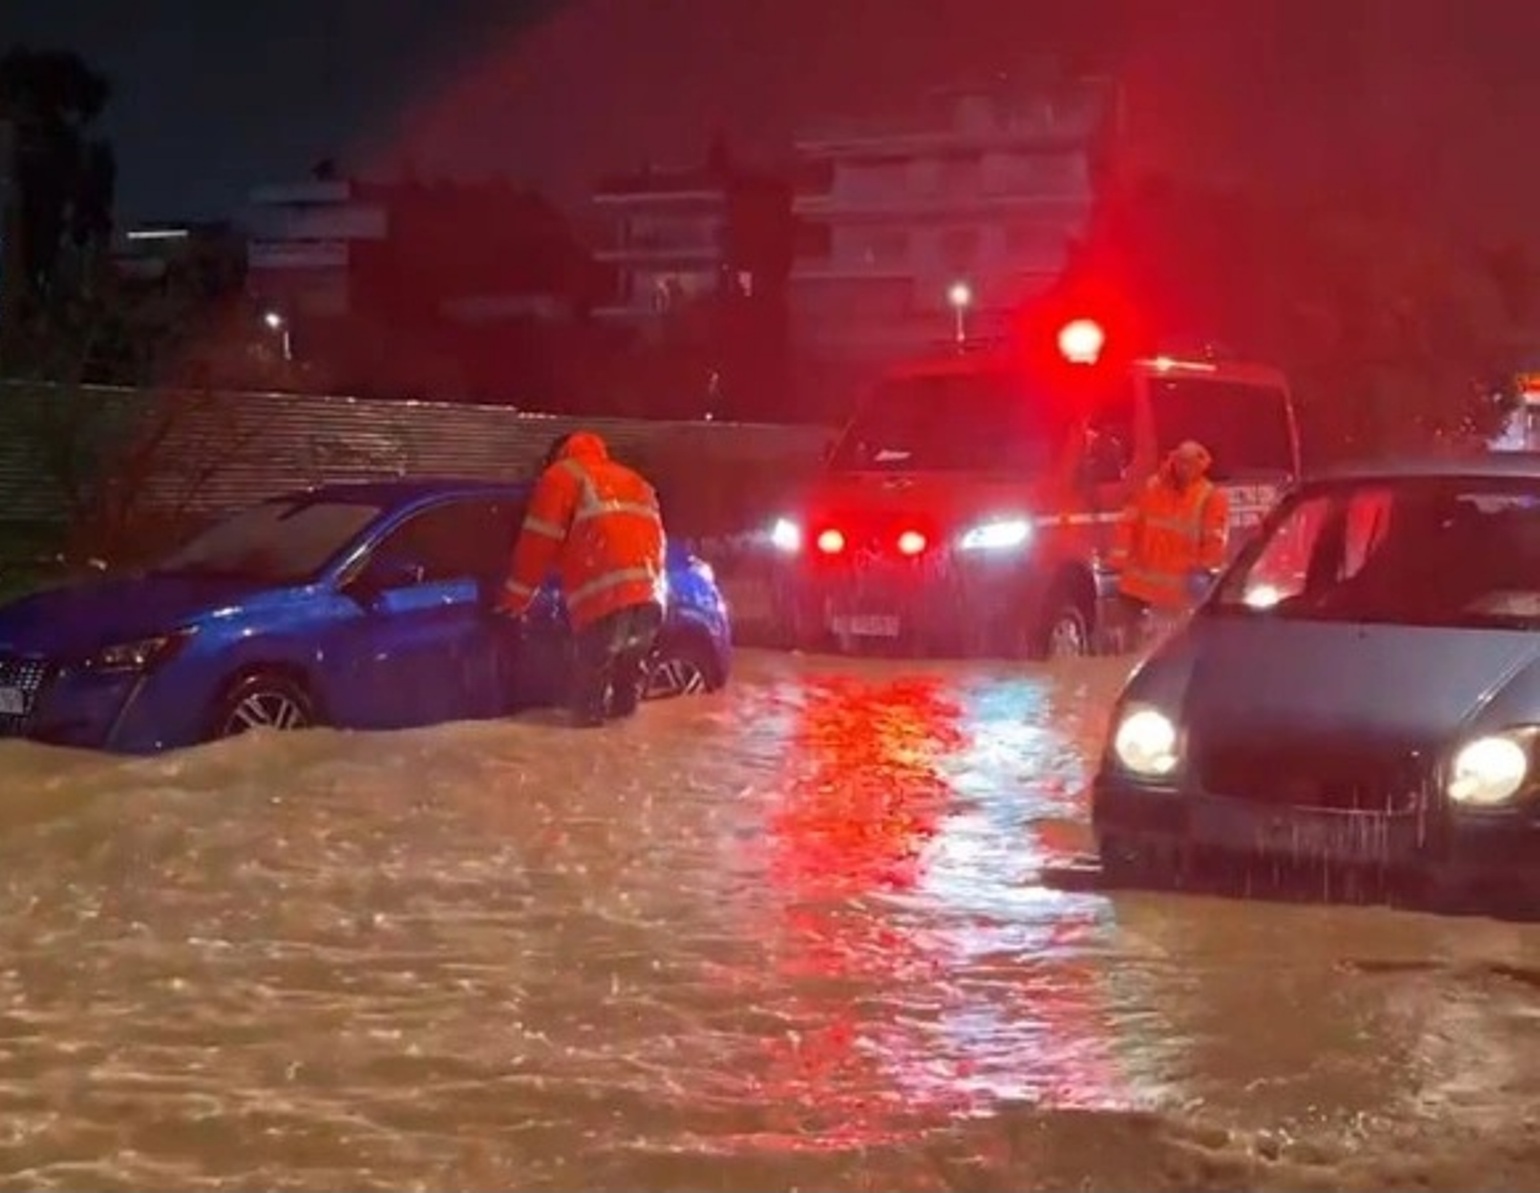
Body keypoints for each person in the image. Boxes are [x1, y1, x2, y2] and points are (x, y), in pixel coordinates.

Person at [498, 431, 667, 727]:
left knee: (588, 708)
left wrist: (515, 600)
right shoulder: (634, 480)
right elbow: (654, 539)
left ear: (557, 456)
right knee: (625, 700)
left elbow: (538, 542)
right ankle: (628, 765)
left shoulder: (560, 478)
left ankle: (591, 768)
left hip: (605, 602)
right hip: (650, 599)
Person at [1108, 440, 1230, 635]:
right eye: (1181, 462)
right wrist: (1119, 558)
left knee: (1171, 644)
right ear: (1174, 460)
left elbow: (1214, 540)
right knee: (1130, 642)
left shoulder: (1210, 497)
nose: (1184, 468)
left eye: (1189, 464)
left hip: (1177, 593)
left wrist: (1204, 571)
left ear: (1200, 467)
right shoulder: (1152, 488)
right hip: (1139, 587)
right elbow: (1128, 522)